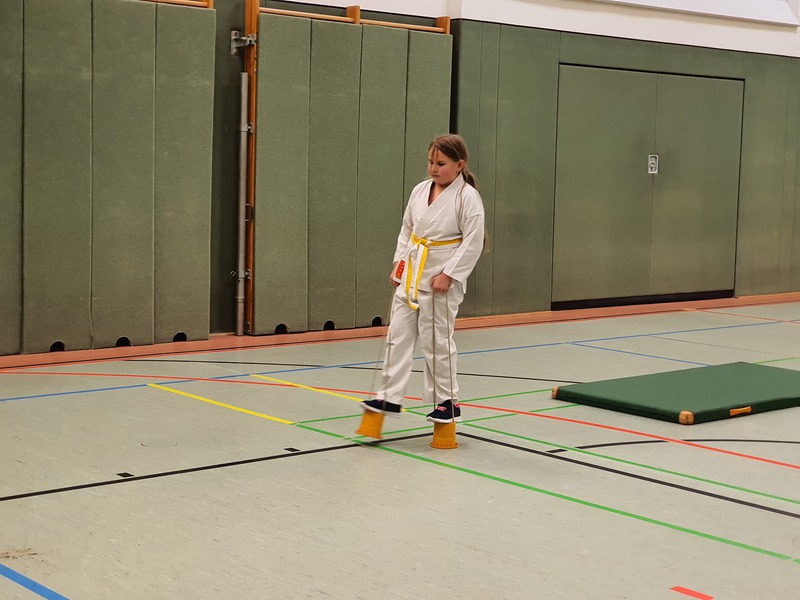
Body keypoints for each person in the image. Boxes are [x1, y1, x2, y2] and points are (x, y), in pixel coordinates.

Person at [362, 134, 485, 424]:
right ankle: (389, 396)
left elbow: (473, 242)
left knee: (437, 343)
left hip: (440, 281)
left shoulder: (467, 197)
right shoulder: (420, 190)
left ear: (459, 165)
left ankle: (448, 402)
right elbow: (407, 230)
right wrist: (399, 263)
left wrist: (449, 275)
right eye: (430, 162)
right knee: (397, 337)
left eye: (441, 164)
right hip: (412, 273)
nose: (433, 168)